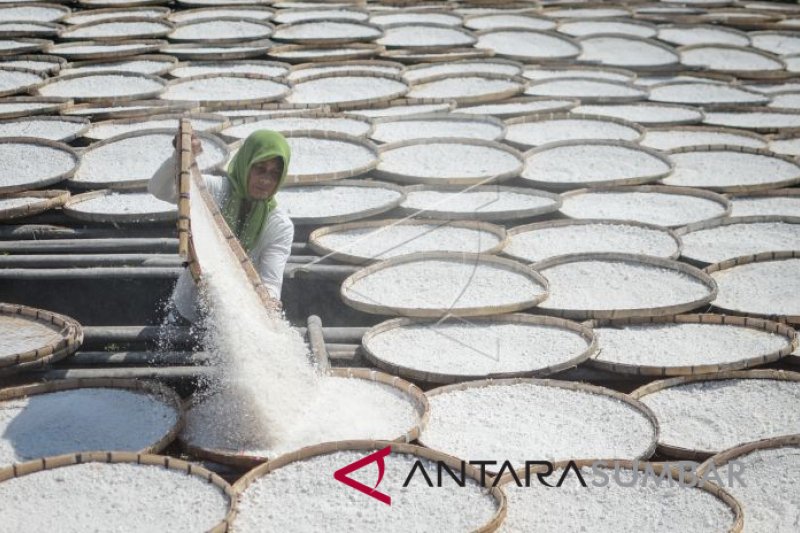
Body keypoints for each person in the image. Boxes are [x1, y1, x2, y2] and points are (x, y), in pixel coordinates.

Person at [149, 130, 294, 323]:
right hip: (189, 309)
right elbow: (158, 189)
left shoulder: (278, 225)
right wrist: (179, 157)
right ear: (246, 163)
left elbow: (271, 281)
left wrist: (270, 303)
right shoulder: (213, 191)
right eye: (259, 168)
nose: (266, 180)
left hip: (239, 319)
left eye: (275, 173)